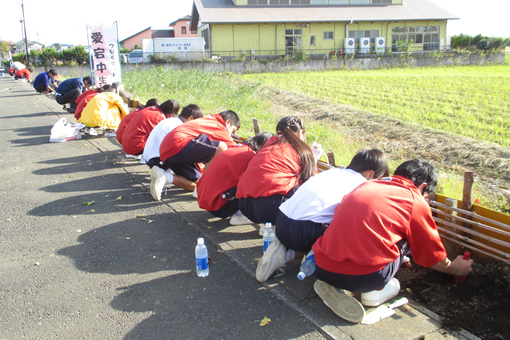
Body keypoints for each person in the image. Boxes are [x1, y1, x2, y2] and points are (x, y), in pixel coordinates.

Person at [311, 159, 474, 323]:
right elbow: (431, 254)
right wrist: (456, 268)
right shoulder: (413, 200)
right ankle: (373, 293)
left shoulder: (366, 186)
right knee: (405, 241)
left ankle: (339, 284)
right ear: (423, 187)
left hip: (322, 265)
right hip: (364, 278)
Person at [256, 149, 389, 282]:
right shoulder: (361, 186)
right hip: (306, 232)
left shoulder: (332, 172)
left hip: (281, 223)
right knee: (351, 224)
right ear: (371, 174)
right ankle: (314, 259)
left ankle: (286, 252)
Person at [236, 116, 316, 226]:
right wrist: (314, 160)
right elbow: (311, 182)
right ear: (300, 133)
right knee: (302, 191)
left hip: (244, 205)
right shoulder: (301, 151)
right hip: (270, 207)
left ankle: (267, 227)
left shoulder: (267, 146)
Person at [155, 110, 240, 198]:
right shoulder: (217, 125)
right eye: (232, 130)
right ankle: (202, 191)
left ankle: (164, 176)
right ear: (228, 122)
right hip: (178, 145)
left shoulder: (206, 120)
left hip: (167, 151)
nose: (231, 134)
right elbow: (237, 150)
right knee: (221, 147)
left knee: (198, 181)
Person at [196, 132, 274, 219]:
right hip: (221, 207)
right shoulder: (249, 156)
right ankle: (240, 215)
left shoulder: (237, 148)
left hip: (206, 199)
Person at [146, 104, 204, 198]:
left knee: (195, 176)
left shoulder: (171, 121)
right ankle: (164, 177)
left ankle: (165, 177)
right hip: (160, 159)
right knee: (197, 180)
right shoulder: (181, 127)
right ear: (191, 118)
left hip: (152, 157)